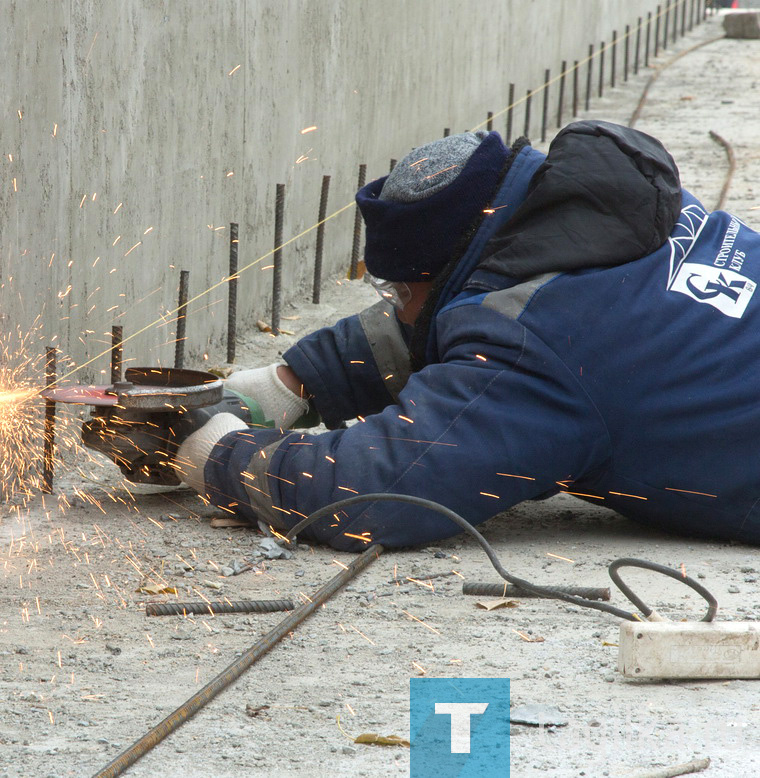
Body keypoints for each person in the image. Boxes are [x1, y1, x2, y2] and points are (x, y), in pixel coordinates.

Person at [176, 120, 760, 552]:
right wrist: (289, 384)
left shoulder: (545, 347)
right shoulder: (606, 210)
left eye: (398, 292)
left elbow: (382, 486)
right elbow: (465, 318)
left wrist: (218, 455)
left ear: (445, 269)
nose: (397, 310)